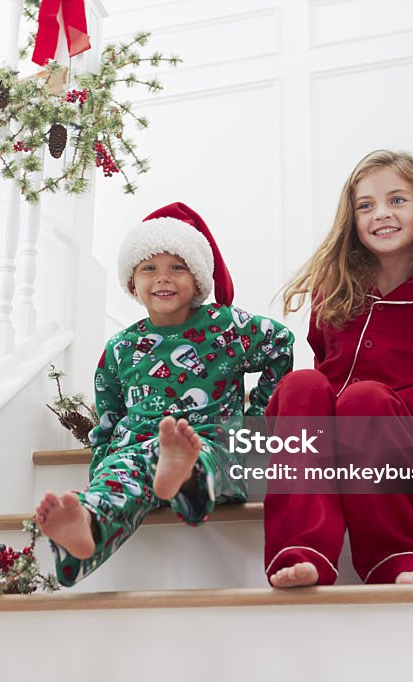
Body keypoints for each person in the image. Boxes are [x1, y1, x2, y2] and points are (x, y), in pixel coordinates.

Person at [35, 202, 295, 587]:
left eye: (178, 266)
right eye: (149, 268)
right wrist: (101, 468)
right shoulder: (121, 347)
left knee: (202, 454)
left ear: (199, 279)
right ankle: (86, 525)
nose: (163, 278)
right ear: (131, 283)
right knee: (121, 472)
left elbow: (280, 344)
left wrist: (256, 419)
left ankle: (182, 474)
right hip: (138, 446)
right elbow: (108, 419)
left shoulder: (227, 326)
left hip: (210, 440)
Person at [263, 150, 413, 587]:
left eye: (397, 200)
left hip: (398, 440)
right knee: (302, 384)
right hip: (331, 438)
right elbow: (321, 355)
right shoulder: (334, 292)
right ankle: (303, 549)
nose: (380, 214)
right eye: (365, 205)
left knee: (363, 398)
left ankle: (401, 556)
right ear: (352, 220)